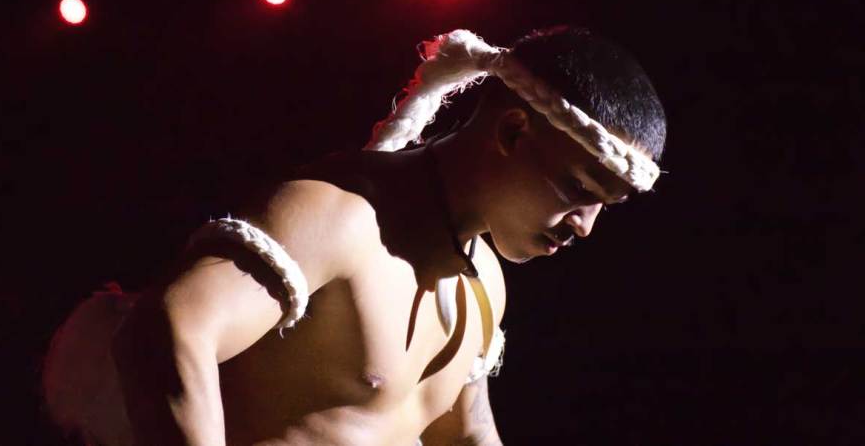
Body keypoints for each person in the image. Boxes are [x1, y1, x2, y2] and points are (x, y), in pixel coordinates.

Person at [41, 26, 667, 446]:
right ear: (511, 134)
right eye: (579, 190)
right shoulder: (340, 217)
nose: (585, 227)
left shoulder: (484, 287)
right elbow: (167, 328)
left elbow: (464, 427)